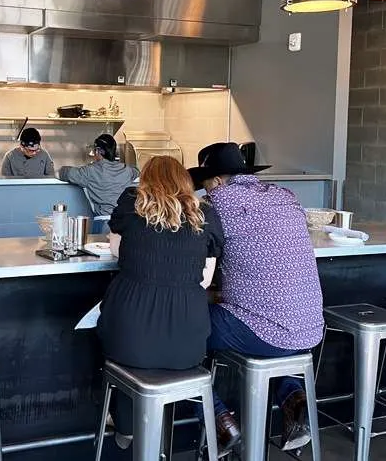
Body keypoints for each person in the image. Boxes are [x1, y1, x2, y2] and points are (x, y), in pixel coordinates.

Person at [188, 142, 324, 453]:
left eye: (206, 184)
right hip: (309, 327)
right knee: (271, 320)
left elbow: (189, 257)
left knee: (179, 328)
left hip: (261, 330)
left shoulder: (216, 205)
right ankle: (293, 396)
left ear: (218, 181)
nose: (204, 192)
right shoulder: (286, 197)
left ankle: (218, 420)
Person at [98, 155, 223, 448]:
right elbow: (205, 279)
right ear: (186, 181)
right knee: (140, 346)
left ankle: (126, 424)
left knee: (116, 338)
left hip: (131, 331)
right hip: (189, 344)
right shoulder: (205, 213)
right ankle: (164, 434)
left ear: (145, 179)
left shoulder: (132, 202)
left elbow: (117, 250)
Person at [57, 134, 139, 217]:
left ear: (98, 151)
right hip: (124, 221)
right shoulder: (127, 170)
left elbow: (65, 172)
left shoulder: (90, 171)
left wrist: (62, 169)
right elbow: (136, 171)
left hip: (104, 222)